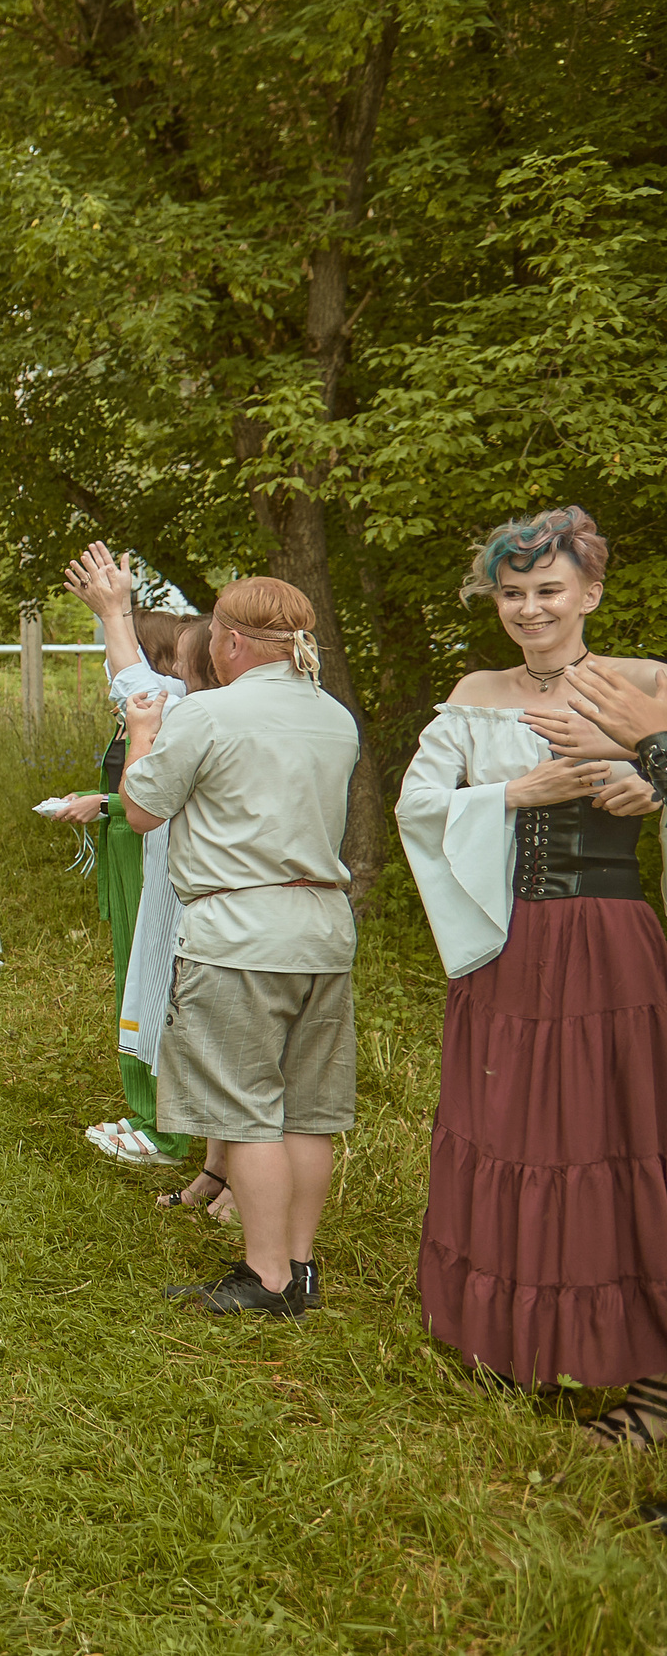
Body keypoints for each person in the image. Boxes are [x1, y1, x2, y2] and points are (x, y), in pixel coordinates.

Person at [394, 507, 667, 1440]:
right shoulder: (476, 692)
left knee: (611, 1134)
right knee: (513, 1132)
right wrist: (515, 791)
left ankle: (651, 1371)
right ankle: (524, 1340)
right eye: (513, 593)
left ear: (590, 591)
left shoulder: (645, 684)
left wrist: (657, 782)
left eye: (549, 589)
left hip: (608, 940)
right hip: (506, 946)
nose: (530, 607)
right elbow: (417, 805)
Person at [120, 576, 359, 1317]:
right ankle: (302, 1264)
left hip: (238, 934)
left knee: (250, 1110)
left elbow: (140, 810)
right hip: (322, 931)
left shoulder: (212, 713)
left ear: (228, 641)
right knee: (309, 1111)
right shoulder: (335, 717)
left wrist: (141, 732)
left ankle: (266, 1277)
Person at [57, 544, 231, 1197]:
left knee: (182, 1008)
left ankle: (174, 1132)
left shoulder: (199, 720)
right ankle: (216, 1168)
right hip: (213, 888)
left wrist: (114, 612)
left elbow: (137, 689)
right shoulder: (288, 716)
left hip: (197, 893)